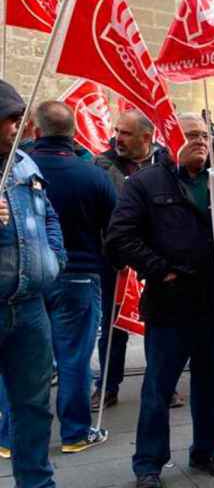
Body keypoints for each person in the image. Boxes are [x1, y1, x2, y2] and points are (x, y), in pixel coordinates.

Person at [106, 113, 214, 487]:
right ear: (169, 138)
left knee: (213, 385)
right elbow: (119, 237)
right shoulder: (145, 183)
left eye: (205, 136)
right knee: (158, 389)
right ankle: (148, 464)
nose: (199, 141)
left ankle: (206, 451)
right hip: (170, 304)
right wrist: (158, 268)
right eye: (191, 135)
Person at [0, 101, 117, 458]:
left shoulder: (17, 167)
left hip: (28, 278)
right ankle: (75, 433)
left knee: (15, 360)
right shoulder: (93, 174)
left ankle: (9, 437)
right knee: (74, 359)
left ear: (35, 131)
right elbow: (115, 227)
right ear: (74, 133)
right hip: (79, 278)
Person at [0, 81, 66, 486]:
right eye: (7, 119)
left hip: (29, 310)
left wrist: (54, 261)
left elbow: (50, 218)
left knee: (34, 408)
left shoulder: (25, 164)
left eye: (17, 119)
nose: (16, 127)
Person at [92, 110, 180, 412]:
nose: (118, 138)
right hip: (118, 261)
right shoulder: (102, 165)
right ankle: (107, 385)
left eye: (126, 133)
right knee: (113, 325)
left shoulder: (168, 165)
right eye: (117, 131)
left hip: (157, 260)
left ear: (146, 137)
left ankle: (163, 386)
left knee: (160, 326)